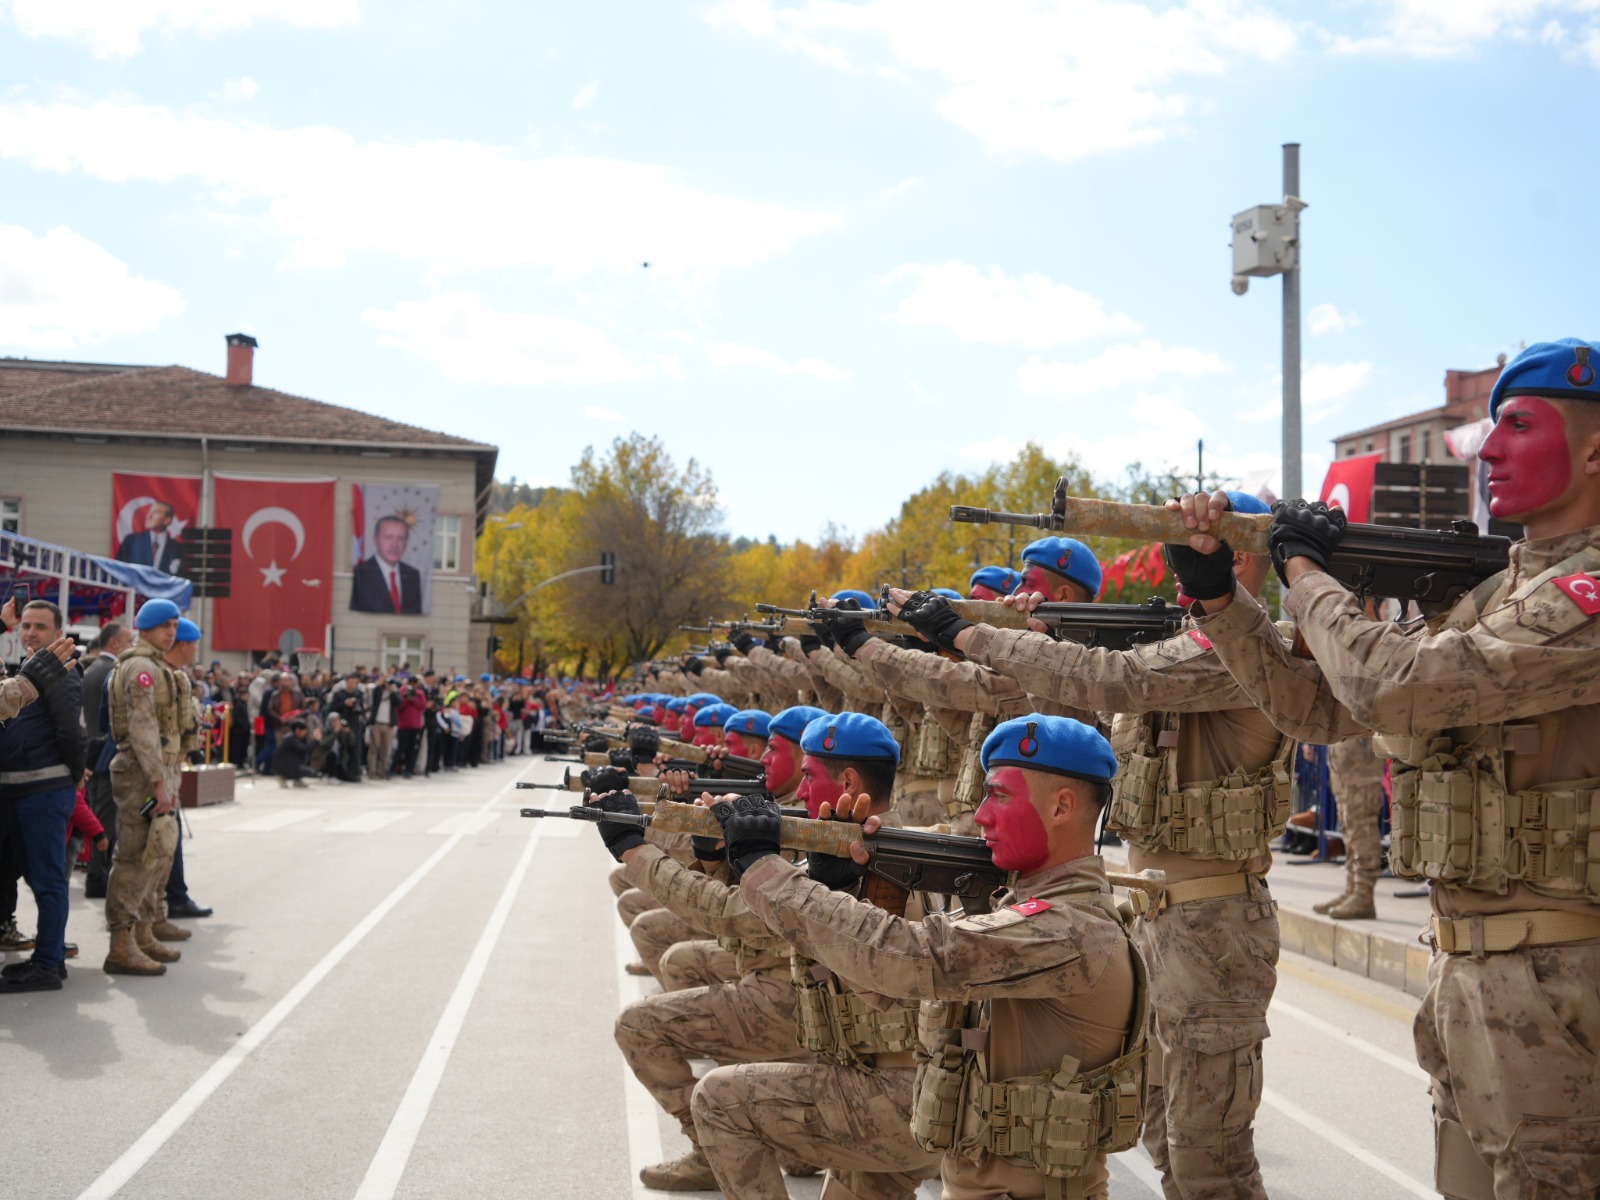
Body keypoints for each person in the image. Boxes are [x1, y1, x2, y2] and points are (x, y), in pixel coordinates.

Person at [1175, 338, 1600, 1199]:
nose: (1490, 450)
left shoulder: (1587, 593)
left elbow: (1394, 689)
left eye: (1518, 425)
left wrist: (1305, 574)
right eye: (1491, 429)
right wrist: (1225, 602)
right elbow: (1320, 707)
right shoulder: (1492, 598)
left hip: (1562, 989)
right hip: (1469, 977)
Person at [895, 503, 1291, 1200]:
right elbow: (1102, 721)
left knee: (1208, 1162)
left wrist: (973, 635)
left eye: (1208, 552)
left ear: (1251, 561)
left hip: (1214, 933)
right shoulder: (1184, 645)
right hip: (1162, 923)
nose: (1182, 569)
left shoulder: (1244, 649)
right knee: (1164, 1135)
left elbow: (1116, 680)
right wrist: (1036, 639)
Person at [705, 714, 1145, 1200]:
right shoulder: (1019, 909)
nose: (980, 814)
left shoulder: (1069, 930)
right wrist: (841, 884)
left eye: (998, 795)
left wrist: (766, 870)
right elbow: (889, 990)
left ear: (1062, 806)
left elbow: (909, 958)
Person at [0, 599, 86, 993]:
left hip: (45, 791)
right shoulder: (25, 673)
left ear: (58, 633)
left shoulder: (60, 674)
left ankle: (48, 964)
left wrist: (70, 778)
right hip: (22, 790)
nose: (31, 632)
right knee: (35, 877)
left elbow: (71, 732)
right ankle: (47, 958)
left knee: (48, 881)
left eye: (40, 626)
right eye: (26, 626)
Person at [103, 599, 186, 978]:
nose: (172, 631)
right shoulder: (140, 668)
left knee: (157, 852)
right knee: (135, 856)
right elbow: (142, 729)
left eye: (174, 624)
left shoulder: (155, 665)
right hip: (141, 775)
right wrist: (158, 783)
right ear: (147, 627)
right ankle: (121, 945)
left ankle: (142, 932)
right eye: (165, 625)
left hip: (158, 772)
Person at [162, 619, 212, 923]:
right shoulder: (160, 676)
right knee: (154, 840)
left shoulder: (175, 676)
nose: (196, 649)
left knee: (169, 835)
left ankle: (175, 898)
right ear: (183, 644)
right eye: (194, 643)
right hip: (154, 780)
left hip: (168, 774)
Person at [82, 621, 132, 899]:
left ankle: (97, 876)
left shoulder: (91, 669)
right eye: (129, 640)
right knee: (106, 825)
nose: (132, 646)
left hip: (94, 755)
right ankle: (98, 879)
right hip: (107, 757)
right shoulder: (113, 672)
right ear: (114, 643)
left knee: (100, 821)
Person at [350, 515, 423, 614]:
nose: (394, 544)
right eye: (388, 537)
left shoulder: (413, 575)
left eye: (401, 538)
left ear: (406, 542)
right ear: (375, 539)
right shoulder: (361, 573)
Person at [116, 501, 185, 574]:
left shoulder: (177, 548)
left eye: (156, 512)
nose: (149, 516)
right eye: (149, 511)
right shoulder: (131, 541)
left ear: (167, 520)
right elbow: (118, 569)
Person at [272, 720, 315, 786]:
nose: (305, 733)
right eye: (303, 730)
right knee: (308, 771)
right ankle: (282, 777)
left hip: (289, 764)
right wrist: (316, 740)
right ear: (297, 730)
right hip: (282, 766)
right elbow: (306, 750)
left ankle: (297, 779)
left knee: (305, 756)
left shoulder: (294, 738)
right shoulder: (291, 739)